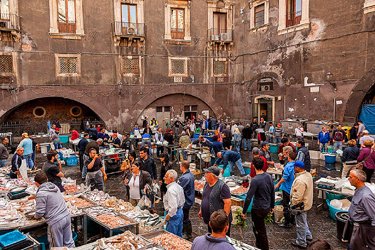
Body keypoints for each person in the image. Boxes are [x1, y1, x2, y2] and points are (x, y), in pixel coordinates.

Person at [34, 171, 75, 248]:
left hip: (56, 222)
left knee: (57, 246)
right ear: (46, 179)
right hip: (66, 216)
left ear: (36, 183)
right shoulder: (54, 187)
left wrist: (34, 216)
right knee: (69, 243)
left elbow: (39, 213)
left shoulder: (41, 193)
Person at [242, 157, 274, 250]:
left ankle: (263, 247)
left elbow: (249, 197)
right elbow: (272, 191)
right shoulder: (268, 176)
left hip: (258, 209)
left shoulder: (255, 180)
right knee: (259, 228)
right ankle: (259, 244)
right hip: (267, 206)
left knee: (259, 230)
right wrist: (272, 206)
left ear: (253, 166)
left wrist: (244, 211)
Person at [199, 166, 232, 236]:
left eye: (206, 173)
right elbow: (204, 197)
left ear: (212, 175)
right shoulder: (206, 184)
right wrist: (201, 209)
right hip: (210, 219)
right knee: (211, 235)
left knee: (221, 239)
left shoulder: (222, 187)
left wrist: (224, 220)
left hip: (219, 222)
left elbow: (228, 203)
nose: (205, 175)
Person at [348, 169, 375, 249]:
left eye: (350, 177)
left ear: (358, 179)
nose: (348, 179)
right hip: (355, 227)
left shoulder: (366, 196)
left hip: (362, 230)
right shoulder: (358, 189)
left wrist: (369, 236)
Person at [290, 161, 313, 249]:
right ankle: (308, 235)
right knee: (304, 220)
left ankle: (301, 242)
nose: (294, 169)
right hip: (307, 203)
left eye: (295, 167)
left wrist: (293, 205)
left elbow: (297, 197)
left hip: (300, 206)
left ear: (298, 168)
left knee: (300, 223)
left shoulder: (300, 180)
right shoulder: (308, 175)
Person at [274, 152, 296, 228]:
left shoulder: (288, 166)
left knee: (286, 205)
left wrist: (278, 184)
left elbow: (285, 177)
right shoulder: (295, 165)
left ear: (289, 157)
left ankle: (287, 222)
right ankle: (293, 220)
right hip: (293, 188)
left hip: (287, 188)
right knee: (293, 204)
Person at [163, 169, 185, 237]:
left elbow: (173, 207)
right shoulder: (179, 187)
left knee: (171, 237)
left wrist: (168, 216)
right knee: (179, 234)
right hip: (180, 212)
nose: (164, 178)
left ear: (171, 179)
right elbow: (183, 201)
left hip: (173, 215)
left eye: (166, 176)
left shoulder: (170, 190)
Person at [177, 161, 195, 239]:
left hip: (186, 200)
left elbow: (179, 189)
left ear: (182, 167)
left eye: (180, 166)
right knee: (186, 216)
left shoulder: (184, 177)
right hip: (189, 199)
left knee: (185, 217)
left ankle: (187, 233)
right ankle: (187, 232)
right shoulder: (190, 175)